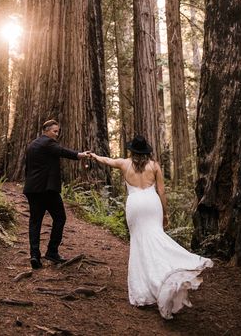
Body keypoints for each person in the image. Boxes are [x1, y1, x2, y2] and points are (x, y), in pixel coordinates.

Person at [90, 135, 213, 320]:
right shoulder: (154, 166)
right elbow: (161, 191)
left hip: (135, 206)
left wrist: (93, 156)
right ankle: (168, 271)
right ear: (147, 151)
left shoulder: (124, 163)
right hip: (152, 203)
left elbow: (107, 160)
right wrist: (166, 214)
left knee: (139, 245)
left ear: (132, 151)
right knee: (157, 237)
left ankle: (145, 291)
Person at [23, 119, 89, 269]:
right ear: (46, 130)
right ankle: (52, 251)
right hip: (47, 189)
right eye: (55, 131)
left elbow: (27, 168)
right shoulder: (48, 143)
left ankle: (34, 255)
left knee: (35, 222)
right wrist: (80, 155)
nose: (57, 134)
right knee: (60, 218)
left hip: (32, 189)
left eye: (58, 131)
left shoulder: (31, 145)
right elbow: (63, 152)